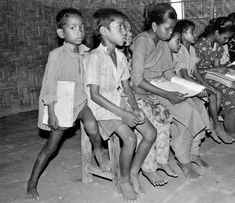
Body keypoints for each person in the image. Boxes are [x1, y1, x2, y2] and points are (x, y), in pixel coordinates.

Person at [25, 8, 106, 200]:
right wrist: (52, 112)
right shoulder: (56, 55)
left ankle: (98, 151)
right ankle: (32, 183)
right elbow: (49, 85)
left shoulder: (87, 52)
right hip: (62, 104)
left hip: (81, 102)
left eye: (81, 27)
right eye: (73, 27)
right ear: (61, 33)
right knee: (51, 147)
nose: (79, 31)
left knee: (93, 127)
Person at [84, 8, 156, 200]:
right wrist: (123, 114)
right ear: (104, 31)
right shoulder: (94, 58)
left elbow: (126, 87)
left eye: (125, 27)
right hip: (101, 108)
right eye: (120, 27)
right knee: (130, 139)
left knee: (150, 133)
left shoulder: (121, 56)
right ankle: (124, 179)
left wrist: (134, 108)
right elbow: (95, 95)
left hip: (120, 102)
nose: (125, 31)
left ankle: (134, 171)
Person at [131, 3, 209, 179]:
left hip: (164, 86)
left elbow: (168, 73)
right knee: (187, 111)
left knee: (198, 104)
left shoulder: (163, 43)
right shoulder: (141, 43)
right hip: (146, 89)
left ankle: (191, 152)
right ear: (154, 26)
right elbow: (137, 79)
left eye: (173, 29)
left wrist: (193, 89)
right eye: (168, 29)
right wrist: (167, 94)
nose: (170, 33)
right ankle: (183, 160)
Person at [119, 18, 178, 187]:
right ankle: (148, 167)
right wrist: (142, 96)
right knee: (146, 119)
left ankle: (161, 159)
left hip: (136, 93)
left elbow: (133, 81)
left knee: (164, 115)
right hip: (124, 99)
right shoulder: (119, 54)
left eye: (130, 31)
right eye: (126, 31)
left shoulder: (125, 53)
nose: (131, 35)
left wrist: (144, 94)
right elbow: (127, 84)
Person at [172, 19, 234, 145]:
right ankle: (216, 126)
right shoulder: (181, 50)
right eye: (192, 32)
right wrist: (202, 87)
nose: (195, 34)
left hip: (191, 79)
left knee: (217, 92)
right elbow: (184, 77)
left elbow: (195, 72)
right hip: (183, 82)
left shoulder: (192, 50)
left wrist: (204, 84)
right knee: (211, 94)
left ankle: (212, 122)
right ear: (183, 34)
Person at [194, 17, 235, 142]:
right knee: (232, 94)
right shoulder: (200, 45)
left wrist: (230, 67)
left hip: (213, 77)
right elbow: (194, 71)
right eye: (225, 38)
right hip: (201, 78)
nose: (226, 42)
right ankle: (230, 131)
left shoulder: (217, 46)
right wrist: (215, 70)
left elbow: (217, 66)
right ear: (216, 32)